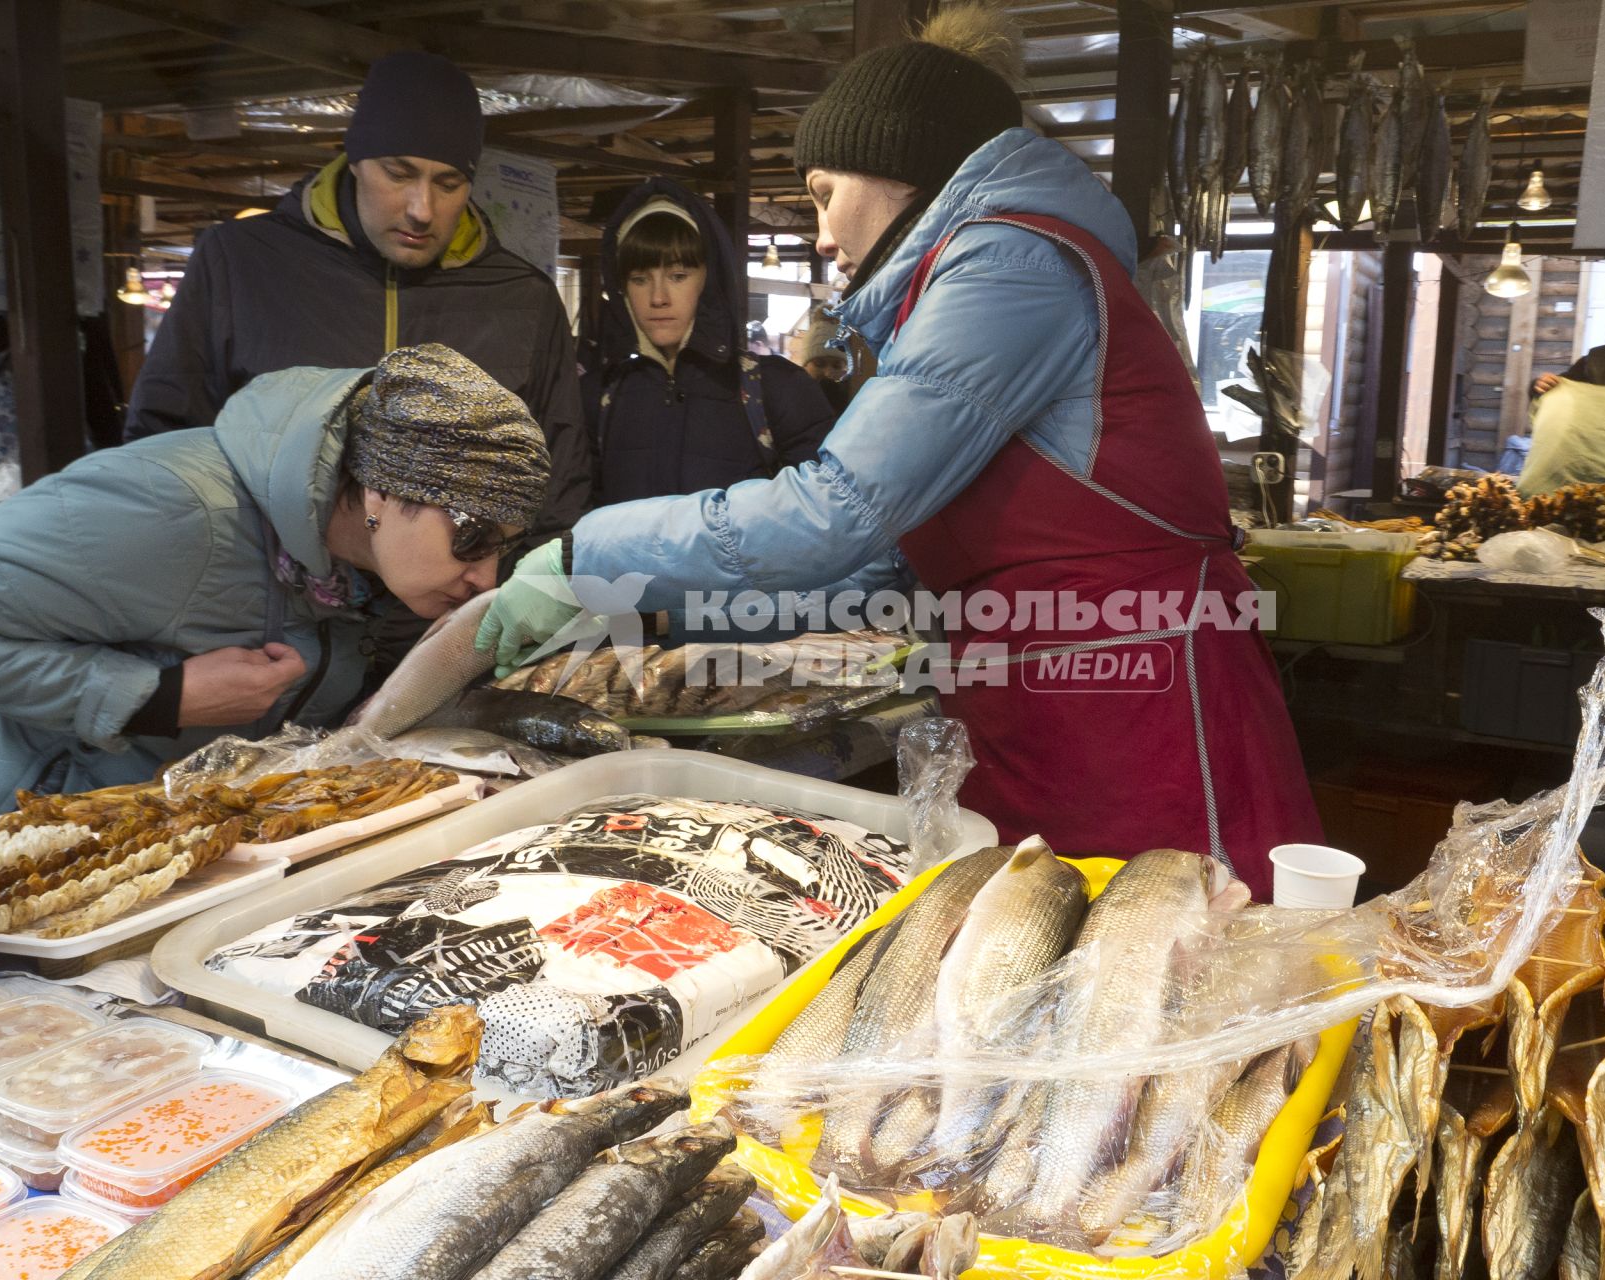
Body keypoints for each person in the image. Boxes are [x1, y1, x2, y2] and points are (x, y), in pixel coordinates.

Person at [476, 9, 1322, 891]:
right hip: (1045, 703)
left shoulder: (1010, 266)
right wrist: (656, 612)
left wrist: (587, 556)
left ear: (899, 171)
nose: (822, 237)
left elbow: (833, 514)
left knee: (1165, 985)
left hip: (1133, 713)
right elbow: (887, 567)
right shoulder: (977, 274)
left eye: (821, 194)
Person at [0, 344, 548, 823]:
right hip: (28, 843)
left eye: (506, 546)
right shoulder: (169, 510)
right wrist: (158, 695)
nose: (484, 575)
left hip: (190, 845)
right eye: (471, 535)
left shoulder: (359, 565)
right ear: (379, 490)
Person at [123, 51, 591, 535]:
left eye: (448, 183)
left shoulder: (523, 298)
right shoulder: (239, 264)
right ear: (356, 160)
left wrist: (525, 597)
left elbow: (558, 483)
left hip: (464, 600)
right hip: (276, 604)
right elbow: (164, 446)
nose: (422, 209)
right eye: (398, 173)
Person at [586, 179, 840, 506]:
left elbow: (824, 516)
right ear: (621, 289)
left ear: (709, 280)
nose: (658, 297)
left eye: (678, 276)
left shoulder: (776, 390)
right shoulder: (599, 398)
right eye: (639, 279)